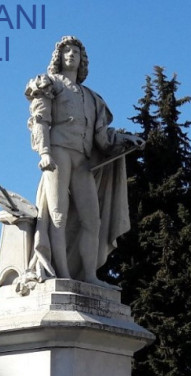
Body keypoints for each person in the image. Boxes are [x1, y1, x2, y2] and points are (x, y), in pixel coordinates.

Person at [24, 36, 143, 286]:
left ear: (82, 60)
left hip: (83, 160)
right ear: (58, 56)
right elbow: (40, 121)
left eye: (76, 52)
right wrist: (44, 152)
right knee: (57, 215)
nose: (71, 55)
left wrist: (126, 139)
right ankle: (63, 275)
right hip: (57, 153)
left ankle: (89, 275)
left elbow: (102, 137)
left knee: (92, 219)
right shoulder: (48, 84)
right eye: (66, 50)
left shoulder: (91, 97)